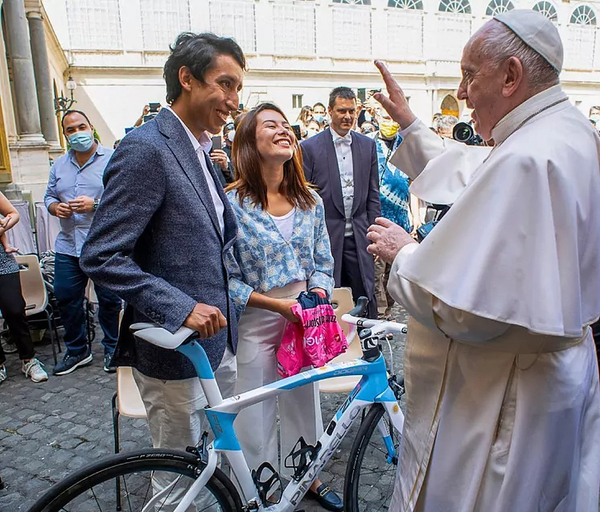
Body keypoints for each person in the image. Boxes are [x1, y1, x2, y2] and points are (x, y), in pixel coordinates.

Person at [368, 10, 600, 511]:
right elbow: (477, 168)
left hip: (511, 389)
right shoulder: (562, 130)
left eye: (471, 75)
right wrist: (411, 126)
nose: (463, 90)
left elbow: (462, 309)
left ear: (512, 76)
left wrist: (405, 253)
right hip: (553, 374)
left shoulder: (530, 154)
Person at [80, 32, 245, 507]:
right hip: (175, 353)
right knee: (174, 481)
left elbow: (214, 244)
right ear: (186, 79)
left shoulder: (201, 149)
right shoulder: (147, 148)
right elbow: (101, 255)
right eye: (225, 85)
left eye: (238, 88)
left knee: (210, 469)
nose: (234, 101)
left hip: (219, 345)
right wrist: (180, 306)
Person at [225, 103, 342, 511]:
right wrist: (276, 305)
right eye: (269, 124)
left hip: (303, 318)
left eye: (285, 125)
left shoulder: (309, 200)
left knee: (302, 398)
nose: (283, 130)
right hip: (258, 317)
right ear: (248, 142)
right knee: (253, 405)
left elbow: (324, 265)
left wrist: (318, 295)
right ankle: (261, 485)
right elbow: (227, 279)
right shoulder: (233, 203)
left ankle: (306, 475)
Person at [44, 110, 122, 376]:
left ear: (91, 127)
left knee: (109, 300)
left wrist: (95, 204)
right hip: (68, 244)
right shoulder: (59, 166)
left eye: (81, 127)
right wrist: (55, 208)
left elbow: (124, 199)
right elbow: (48, 197)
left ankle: (113, 347)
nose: (77, 133)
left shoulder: (112, 159)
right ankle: (78, 351)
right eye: (70, 130)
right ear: (65, 135)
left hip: (103, 244)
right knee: (66, 296)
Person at [301, 87, 380, 318]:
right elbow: (305, 198)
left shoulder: (367, 145)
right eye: (342, 111)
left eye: (352, 111)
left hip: (359, 234)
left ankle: (366, 345)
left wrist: (375, 231)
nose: (347, 116)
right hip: (327, 237)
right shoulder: (310, 148)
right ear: (329, 111)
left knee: (363, 292)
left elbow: (373, 194)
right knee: (330, 296)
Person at [0, 192, 48, 384]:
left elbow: (13, 214)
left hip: (2, 261)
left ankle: (28, 359)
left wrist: (4, 225)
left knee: (15, 308)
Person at [370, 109, 413, 319]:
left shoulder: (404, 148)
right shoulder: (369, 146)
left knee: (394, 271)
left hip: (401, 219)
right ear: (377, 118)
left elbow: (413, 184)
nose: (391, 123)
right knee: (376, 271)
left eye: (394, 119)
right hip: (378, 218)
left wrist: (414, 215)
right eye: (387, 118)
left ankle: (388, 309)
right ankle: (379, 314)